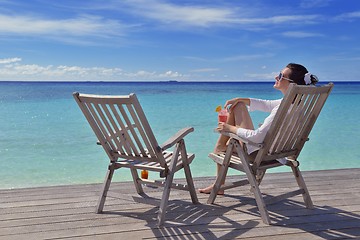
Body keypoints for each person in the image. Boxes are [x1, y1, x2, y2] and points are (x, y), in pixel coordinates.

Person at [199, 63, 318, 195]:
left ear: (291, 84)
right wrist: (240, 99)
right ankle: (220, 152)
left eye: (280, 76)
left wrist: (229, 128)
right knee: (239, 105)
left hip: (261, 154)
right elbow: (266, 104)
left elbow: (257, 137)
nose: (276, 77)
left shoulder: (282, 108)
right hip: (281, 153)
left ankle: (219, 175)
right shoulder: (295, 105)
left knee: (226, 140)